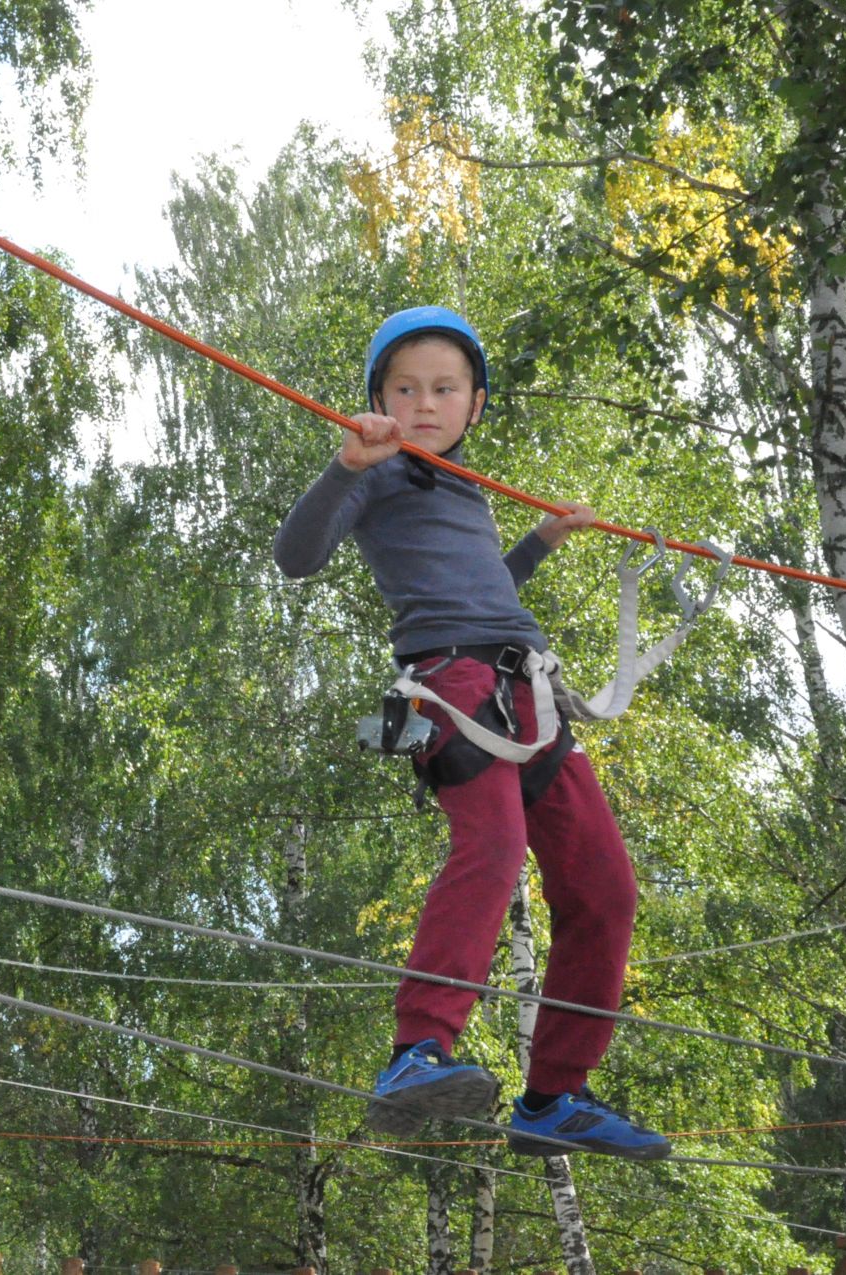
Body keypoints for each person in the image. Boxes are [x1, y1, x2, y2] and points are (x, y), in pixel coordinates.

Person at [273, 305, 668, 1159]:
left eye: (443, 388)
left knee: (606, 888)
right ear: (377, 400)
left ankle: (555, 1092)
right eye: (403, 388)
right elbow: (296, 556)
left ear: (474, 404)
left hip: (529, 689)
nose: (424, 403)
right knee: (491, 849)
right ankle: (417, 1048)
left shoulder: (464, 487)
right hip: (453, 682)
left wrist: (540, 542)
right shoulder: (379, 474)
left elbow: (485, 584)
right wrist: (344, 466)